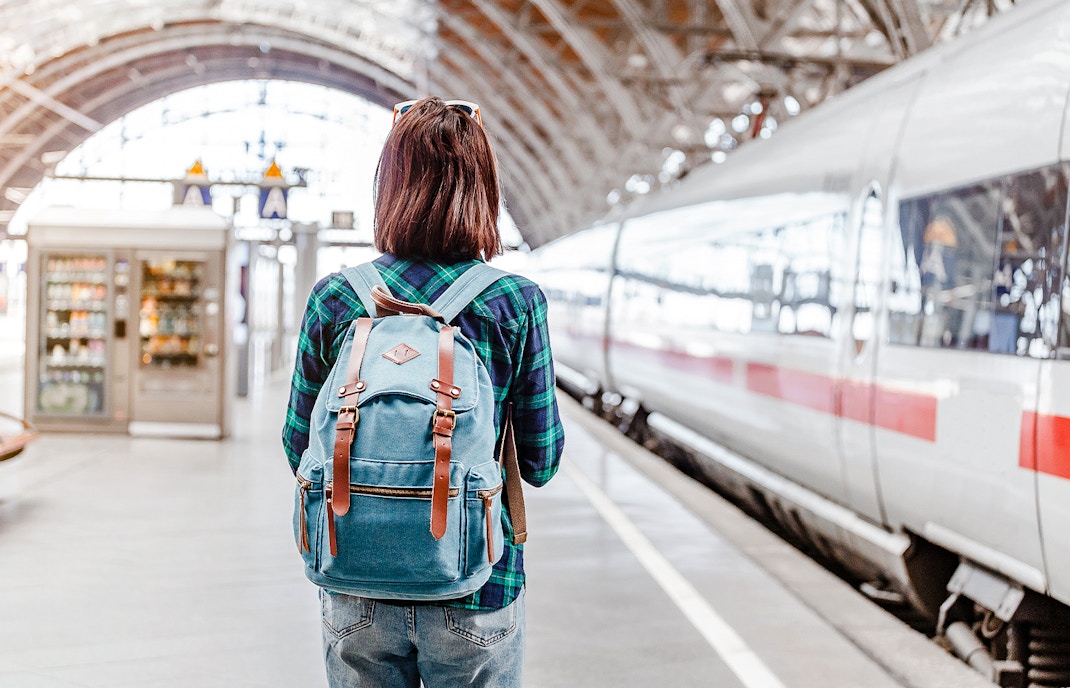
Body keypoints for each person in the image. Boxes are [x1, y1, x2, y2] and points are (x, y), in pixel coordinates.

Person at [282, 96, 565, 687]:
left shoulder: (337, 298)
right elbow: (540, 462)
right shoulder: (513, 302)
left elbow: (296, 448)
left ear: (389, 186)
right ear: (484, 188)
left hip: (355, 583)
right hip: (480, 584)